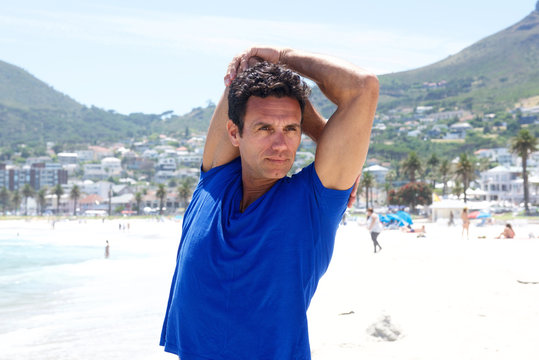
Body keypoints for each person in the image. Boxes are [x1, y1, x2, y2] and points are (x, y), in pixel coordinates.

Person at [160, 46, 378, 359]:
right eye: (264, 128)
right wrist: (265, 63)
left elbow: (363, 87)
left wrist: (282, 56)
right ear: (235, 133)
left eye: (291, 129)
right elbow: (250, 67)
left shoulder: (313, 203)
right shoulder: (214, 183)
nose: (280, 144)